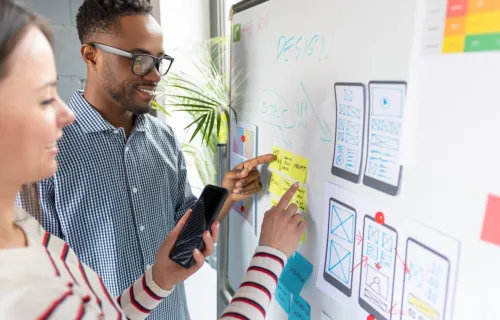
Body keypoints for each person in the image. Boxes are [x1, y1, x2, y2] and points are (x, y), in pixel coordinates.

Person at [0, 2, 307, 319]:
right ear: (92, 55)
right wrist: (270, 253)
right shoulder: (44, 158)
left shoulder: (163, 139)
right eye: (140, 60)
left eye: (160, 61)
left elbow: (184, 229)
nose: (156, 75)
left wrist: (225, 196)